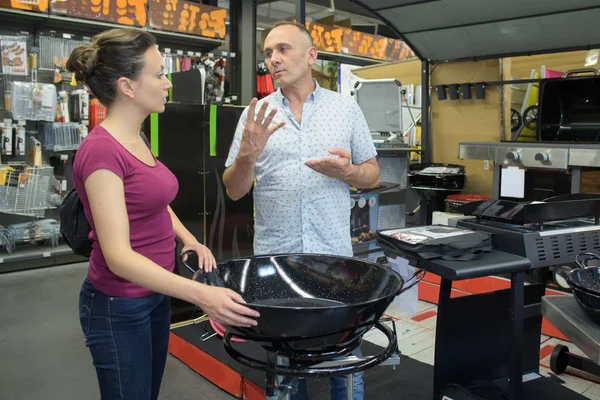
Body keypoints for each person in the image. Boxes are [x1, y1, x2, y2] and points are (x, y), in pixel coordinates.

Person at [67, 28, 259, 400]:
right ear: (127, 86)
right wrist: (202, 295)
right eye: (157, 74)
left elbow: (153, 198)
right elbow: (118, 258)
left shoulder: (136, 136)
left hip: (154, 294)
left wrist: (188, 238)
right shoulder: (102, 152)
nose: (167, 83)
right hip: (119, 305)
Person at [223, 21, 380, 400]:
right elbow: (234, 189)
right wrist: (246, 156)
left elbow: (372, 175)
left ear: (311, 56)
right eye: (268, 53)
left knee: (343, 361)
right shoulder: (256, 115)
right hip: (277, 264)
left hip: (334, 261)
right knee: (285, 365)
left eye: (283, 49)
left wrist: (349, 172)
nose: (273, 59)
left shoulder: (344, 109)